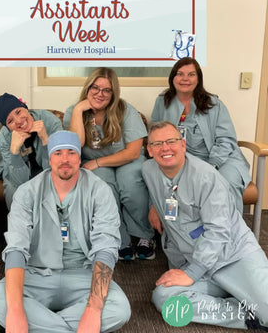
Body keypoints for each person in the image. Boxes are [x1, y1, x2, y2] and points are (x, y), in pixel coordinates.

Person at [0, 131, 131, 333]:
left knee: (119, 309)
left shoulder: (100, 190)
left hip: (84, 274)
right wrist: (16, 311)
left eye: (71, 152)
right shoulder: (27, 192)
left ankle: (40, 325)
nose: (65, 159)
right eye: (58, 153)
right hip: (36, 274)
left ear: (80, 158)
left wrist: (93, 310)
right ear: (49, 159)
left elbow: (106, 248)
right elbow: (16, 249)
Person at [142, 121, 268, 330]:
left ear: (183, 144)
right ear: (149, 150)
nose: (165, 148)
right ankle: (245, 317)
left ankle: (250, 299)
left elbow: (218, 232)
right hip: (194, 261)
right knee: (165, 299)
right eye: (157, 144)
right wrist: (154, 207)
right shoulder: (148, 170)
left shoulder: (207, 177)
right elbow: (166, 193)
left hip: (233, 257)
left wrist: (191, 273)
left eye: (171, 141)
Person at [64, 67, 155, 261]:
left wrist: (97, 162)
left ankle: (144, 236)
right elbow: (74, 145)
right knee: (104, 186)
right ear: (87, 88)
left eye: (107, 90)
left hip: (126, 160)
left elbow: (132, 152)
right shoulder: (74, 111)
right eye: (95, 88)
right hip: (95, 165)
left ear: (114, 93)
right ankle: (119, 239)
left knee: (130, 183)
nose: (100, 93)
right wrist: (80, 109)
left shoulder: (125, 110)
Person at [151, 57, 250, 212]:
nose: (185, 79)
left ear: (198, 78)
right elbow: (155, 135)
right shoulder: (163, 102)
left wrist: (212, 165)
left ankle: (231, 232)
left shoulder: (213, 103)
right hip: (185, 160)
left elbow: (226, 140)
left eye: (191, 74)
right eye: (180, 74)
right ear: (173, 78)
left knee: (226, 183)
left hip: (222, 159)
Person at [0, 93, 62, 209]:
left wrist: (45, 140)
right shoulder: (4, 138)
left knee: (53, 185)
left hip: (48, 170)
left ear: (25, 107)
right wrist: (14, 152)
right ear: (7, 127)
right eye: (10, 121)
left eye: (18, 112)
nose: (18, 121)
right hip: (19, 175)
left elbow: (56, 169)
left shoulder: (50, 121)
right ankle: (19, 226)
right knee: (13, 189)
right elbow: (19, 181)